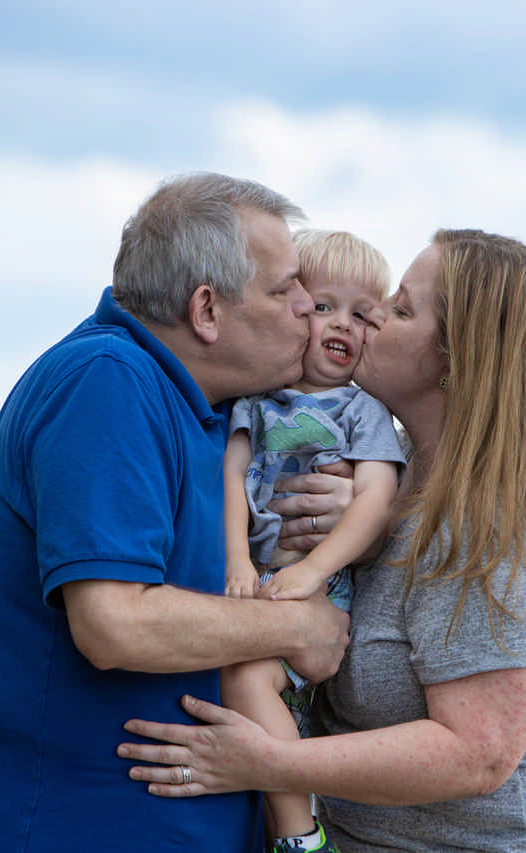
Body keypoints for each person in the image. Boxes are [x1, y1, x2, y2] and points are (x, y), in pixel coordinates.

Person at [116, 228, 526, 851]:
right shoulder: (391, 483)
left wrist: (262, 763)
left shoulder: (488, 531)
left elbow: (477, 754)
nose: (374, 316)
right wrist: (366, 520)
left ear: (456, 362)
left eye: (402, 309)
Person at [0, 173, 355, 853]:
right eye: (285, 289)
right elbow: (113, 621)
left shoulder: (213, 412)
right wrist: (300, 623)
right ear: (206, 310)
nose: (309, 308)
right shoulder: (107, 380)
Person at [221, 230, 405, 853]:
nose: (342, 324)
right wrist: (236, 559)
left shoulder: (362, 412)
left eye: (363, 314)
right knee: (243, 684)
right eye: (324, 305)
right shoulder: (256, 400)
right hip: (261, 581)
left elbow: (375, 499)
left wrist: (315, 569)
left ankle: (301, 837)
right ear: (296, 310)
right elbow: (231, 472)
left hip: (321, 587)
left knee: (245, 681)